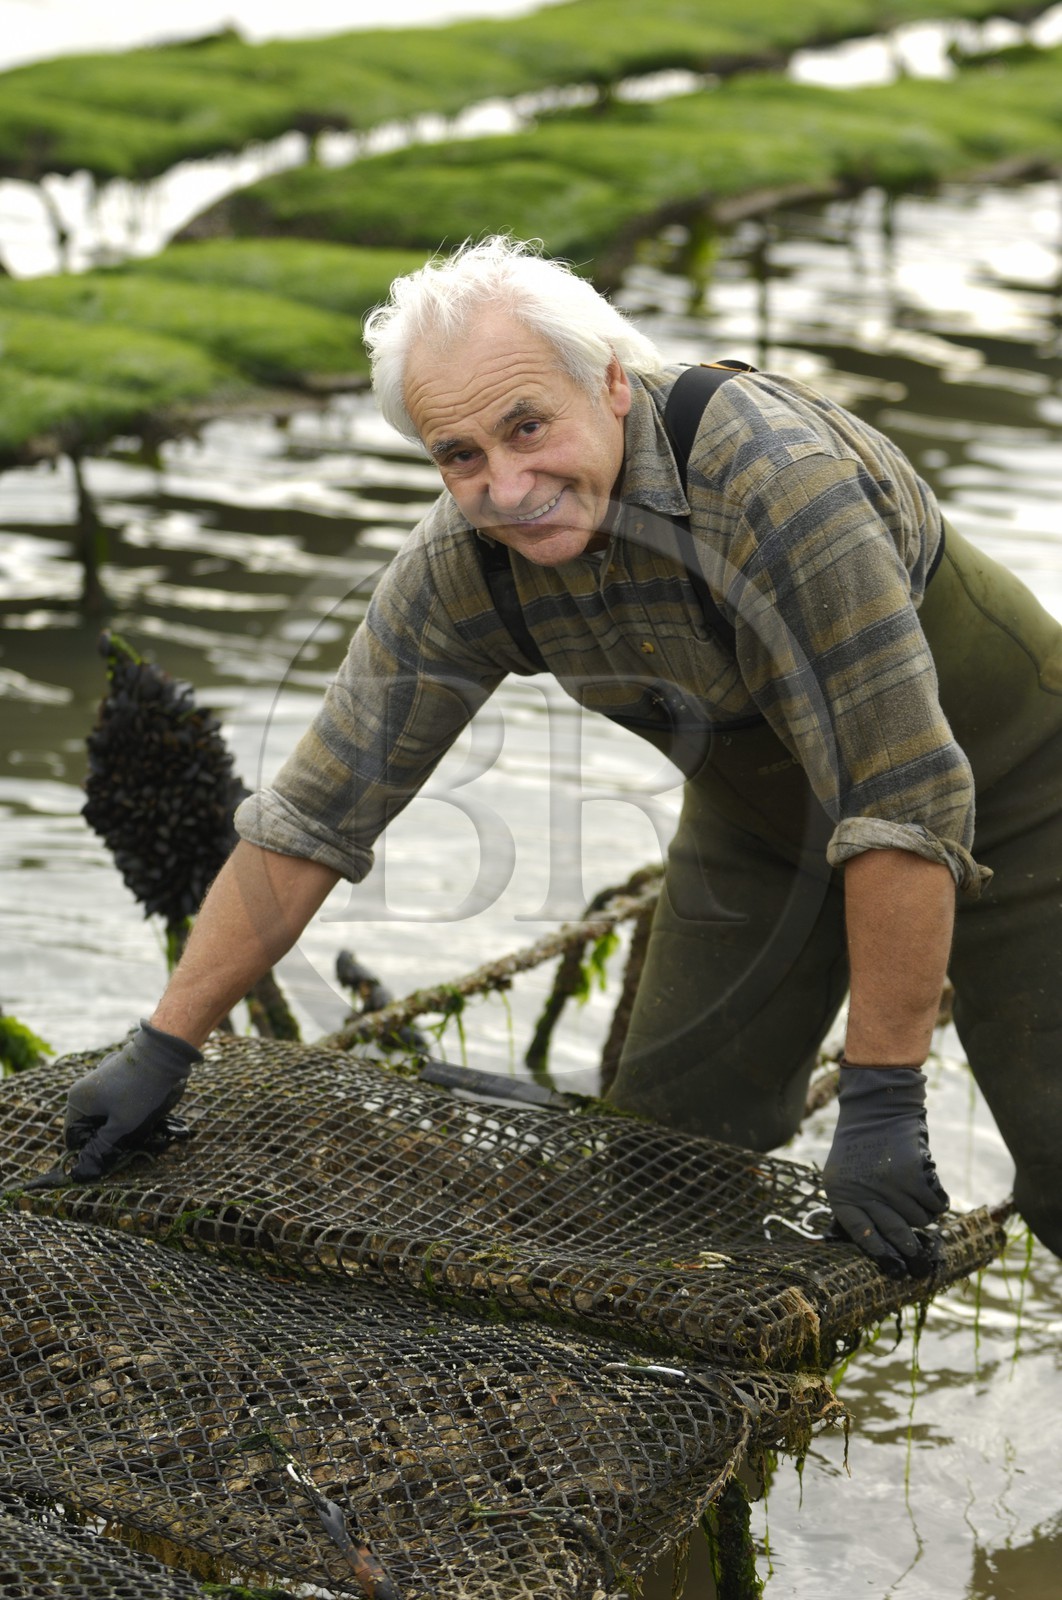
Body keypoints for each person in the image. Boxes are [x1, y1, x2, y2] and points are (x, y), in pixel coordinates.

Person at [63, 236, 1062, 1279]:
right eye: (461, 455)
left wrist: (883, 1095)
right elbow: (317, 811)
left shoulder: (774, 487)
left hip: (1027, 791)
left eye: (527, 425)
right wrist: (165, 1045)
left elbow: (901, 795)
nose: (508, 485)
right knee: (666, 1162)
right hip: (765, 830)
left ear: (614, 383)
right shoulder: (463, 566)